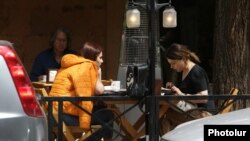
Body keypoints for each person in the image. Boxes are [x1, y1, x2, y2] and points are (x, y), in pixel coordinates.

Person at [49, 41, 114, 141]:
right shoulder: (88, 66)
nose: (102, 61)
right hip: (64, 116)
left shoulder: (73, 64)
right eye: (100, 58)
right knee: (109, 115)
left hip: (53, 114)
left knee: (101, 109)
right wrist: (98, 74)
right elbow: (98, 91)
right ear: (93, 58)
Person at [160, 43, 214, 134]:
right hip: (193, 111)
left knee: (164, 116)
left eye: (173, 63)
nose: (171, 66)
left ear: (183, 59)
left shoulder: (196, 72)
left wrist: (182, 95)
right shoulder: (183, 71)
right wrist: (172, 89)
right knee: (163, 115)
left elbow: (204, 98)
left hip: (203, 115)